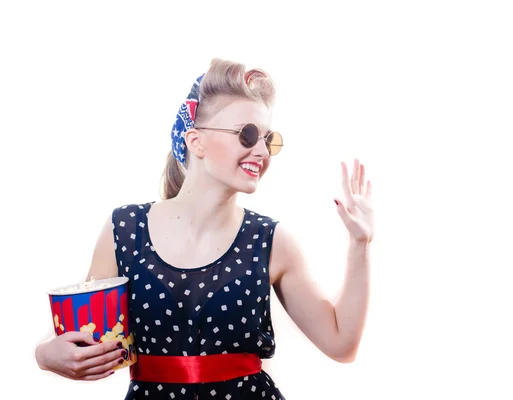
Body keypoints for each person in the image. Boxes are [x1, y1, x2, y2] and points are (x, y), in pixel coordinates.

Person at [34, 58, 374, 399]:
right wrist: (45, 355)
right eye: (248, 134)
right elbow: (83, 334)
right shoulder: (124, 230)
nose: (261, 151)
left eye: (268, 139)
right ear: (195, 141)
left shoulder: (272, 242)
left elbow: (341, 344)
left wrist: (360, 243)